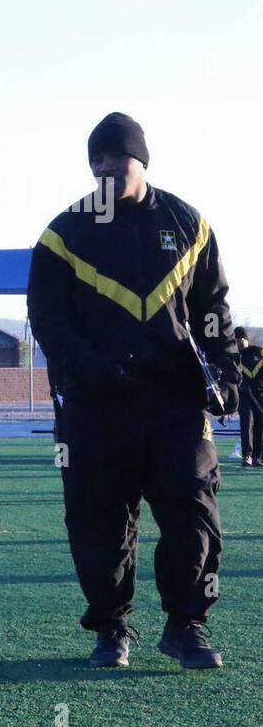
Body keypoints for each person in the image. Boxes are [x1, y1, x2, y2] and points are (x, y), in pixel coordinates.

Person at [27, 112, 239, 670]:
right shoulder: (62, 234)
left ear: (141, 161)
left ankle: (186, 625)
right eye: (96, 160)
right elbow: (48, 321)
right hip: (96, 407)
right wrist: (92, 369)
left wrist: (226, 370)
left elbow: (213, 309)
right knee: (98, 524)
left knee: (195, 517)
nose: (106, 169)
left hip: (175, 405)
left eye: (116, 159)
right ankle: (111, 629)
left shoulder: (189, 224)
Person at [237, 327, 263, 467]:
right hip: (244, 394)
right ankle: (247, 455)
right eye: (236, 341)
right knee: (247, 423)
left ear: (245, 339)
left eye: (241, 339)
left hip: (259, 394)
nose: (239, 343)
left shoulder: (259, 352)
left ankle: (257, 456)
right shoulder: (236, 356)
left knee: (260, 423)